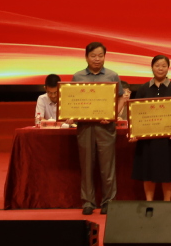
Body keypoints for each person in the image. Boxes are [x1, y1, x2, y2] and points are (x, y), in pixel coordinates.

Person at [71, 42, 127, 215]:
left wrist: (112, 115)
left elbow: (121, 98)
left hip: (106, 127)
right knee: (86, 165)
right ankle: (88, 202)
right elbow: (71, 100)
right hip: (85, 127)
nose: (97, 59)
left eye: (100, 55)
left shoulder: (112, 76)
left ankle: (109, 201)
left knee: (107, 166)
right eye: (93, 56)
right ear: (86, 57)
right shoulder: (78, 77)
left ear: (105, 57)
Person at [130, 55, 171, 201]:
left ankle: (167, 202)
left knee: (169, 171)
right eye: (157, 65)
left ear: (168, 68)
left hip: (169, 139)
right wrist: (135, 132)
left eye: (164, 66)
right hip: (147, 139)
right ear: (152, 67)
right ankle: (149, 202)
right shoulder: (143, 89)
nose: (160, 69)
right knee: (148, 171)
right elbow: (136, 113)